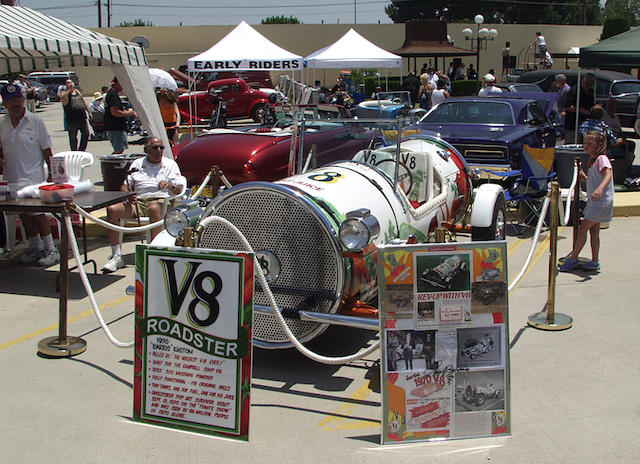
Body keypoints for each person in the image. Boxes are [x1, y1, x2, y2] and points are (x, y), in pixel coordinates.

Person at [102, 137, 185, 273]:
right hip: (138, 201)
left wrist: (170, 185)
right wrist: (128, 194)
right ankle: (116, 256)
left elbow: (179, 189)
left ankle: (154, 253)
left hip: (160, 201)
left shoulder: (170, 164)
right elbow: (124, 185)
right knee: (113, 210)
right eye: (154, 148)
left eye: (161, 147)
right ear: (146, 150)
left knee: (153, 209)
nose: (159, 151)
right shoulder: (137, 164)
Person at [0, 84, 59, 266]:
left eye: (18, 99)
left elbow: (47, 150)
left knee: (38, 214)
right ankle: (36, 247)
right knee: (24, 215)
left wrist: (52, 175)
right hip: (12, 178)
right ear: (5, 103)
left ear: (23, 99)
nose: (15, 104)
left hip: (34, 178)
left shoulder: (36, 121)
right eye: (10, 101)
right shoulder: (2, 124)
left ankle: (51, 249)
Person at [559, 131, 613, 272]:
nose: (586, 145)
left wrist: (600, 189)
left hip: (600, 202)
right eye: (585, 142)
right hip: (595, 201)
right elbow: (596, 179)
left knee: (583, 229)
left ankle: (573, 258)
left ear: (599, 145)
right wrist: (586, 178)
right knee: (594, 231)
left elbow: (608, 174)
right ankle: (594, 261)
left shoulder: (602, 159)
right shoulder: (593, 161)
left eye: (590, 143)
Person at [104, 76, 136, 154]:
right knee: (119, 150)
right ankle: (112, 165)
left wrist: (125, 111)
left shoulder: (112, 93)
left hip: (114, 127)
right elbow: (115, 112)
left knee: (119, 149)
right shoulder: (113, 95)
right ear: (118, 83)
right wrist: (130, 113)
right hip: (116, 127)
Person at [562, 73, 596, 144]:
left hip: (586, 126)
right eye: (587, 84)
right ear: (582, 81)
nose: (588, 86)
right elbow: (567, 107)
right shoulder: (574, 91)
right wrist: (581, 110)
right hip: (573, 125)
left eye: (590, 85)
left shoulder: (591, 91)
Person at [60, 78, 91, 152]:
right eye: (67, 83)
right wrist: (69, 90)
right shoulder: (64, 92)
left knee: (86, 133)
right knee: (73, 136)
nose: (69, 84)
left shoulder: (77, 91)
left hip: (82, 117)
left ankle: (82, 149)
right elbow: (62, 97)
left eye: (70, 82)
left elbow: (83, 102)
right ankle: (74, 150)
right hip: (72, 119)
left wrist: (89, 112)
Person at [602, 98, 636, 168]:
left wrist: (623, 138)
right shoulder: (603, 116)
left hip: (618, 137)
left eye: (614, 105)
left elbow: (620, 130)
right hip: (611, 140)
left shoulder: (616, 117)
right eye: (611, 105)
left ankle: (626, 165)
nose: (612, 107)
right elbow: (608, 134)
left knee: (631, 144)